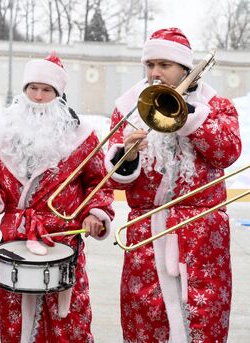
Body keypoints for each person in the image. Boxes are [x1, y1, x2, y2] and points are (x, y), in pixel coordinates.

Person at [106, 28, 241, 342]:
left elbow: (229, 152)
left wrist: (191, 118)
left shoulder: (215, 105)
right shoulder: (128, 106)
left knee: (204, 315)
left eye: (164, 64)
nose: (155, 72)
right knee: (143, 315)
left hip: (202, 232)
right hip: (146, 229)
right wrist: (126, 155)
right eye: (150, 64)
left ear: (184, 67)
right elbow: (114, 178)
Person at [0, 53, 114, 342]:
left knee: (68, 322)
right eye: (32, 88)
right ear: (23, 91)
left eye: (46, 90)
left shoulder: (82, 137)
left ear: (59, 95)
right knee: (14, 322)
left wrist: (95, 214)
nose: (38, 96)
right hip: (15, 239)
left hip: (63, 240)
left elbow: (100, 183)